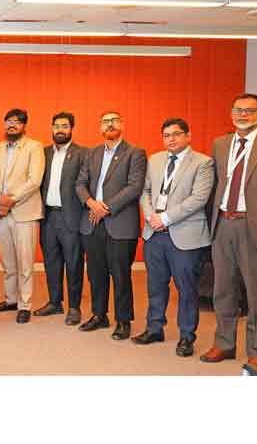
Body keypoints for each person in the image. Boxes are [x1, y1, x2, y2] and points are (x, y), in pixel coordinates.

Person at [200, 93, 257, 372]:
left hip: (254, 226)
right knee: (223, 289)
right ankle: (225, 343)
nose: (243, 115)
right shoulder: (221, 144)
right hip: (223, 224)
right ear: (231, 114)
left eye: (250, 110)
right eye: (238, 110)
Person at [135, 118, 214, 357]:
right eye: (167, 135)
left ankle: (187, 336)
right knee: (155, 284)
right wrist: (151, 216)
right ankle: (154, 328)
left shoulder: (203, 162)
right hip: (154, 233)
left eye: (177, 134)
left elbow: (198, 199)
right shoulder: (155, 159)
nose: (171, 139)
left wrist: (166, 218)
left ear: (188, 136)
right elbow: (145, 191)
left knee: (186, 289)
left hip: (185, 236)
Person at [75, 111, 147, 341]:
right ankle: (99, 315)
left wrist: (105, 207)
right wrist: (91, 203)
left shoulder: (135, 153)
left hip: (120, 222)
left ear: (122, 125)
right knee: (95, 273)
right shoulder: (92, 153)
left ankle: (123, 321)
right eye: (105, 121)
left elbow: (134, 187)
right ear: (100, 127)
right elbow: (80, 183)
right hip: (92, 222)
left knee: (121, 274)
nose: (109, 125)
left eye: (114, 120)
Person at [0, 108, 45, 324]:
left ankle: (24, 304)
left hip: (24, 212)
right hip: (1, 213)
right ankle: (10, 299)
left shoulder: (34, 147)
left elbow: (34, 180)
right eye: (8, 121)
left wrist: (11, 200)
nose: (12, 125)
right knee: (8, 260)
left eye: (17, 122)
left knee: (25, 262)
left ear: (24, 126)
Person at [36, 112, 87, 325]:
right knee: (51, 261)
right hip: (47, 216)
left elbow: (86, 184)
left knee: (74, 263)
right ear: (51, 128)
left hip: (72, 217)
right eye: (56, 126)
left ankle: (74, 307)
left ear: (72, 129)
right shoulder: (43, 153)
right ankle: (55, 302)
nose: (60, 130)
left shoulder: (83, 153)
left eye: (65, 126)